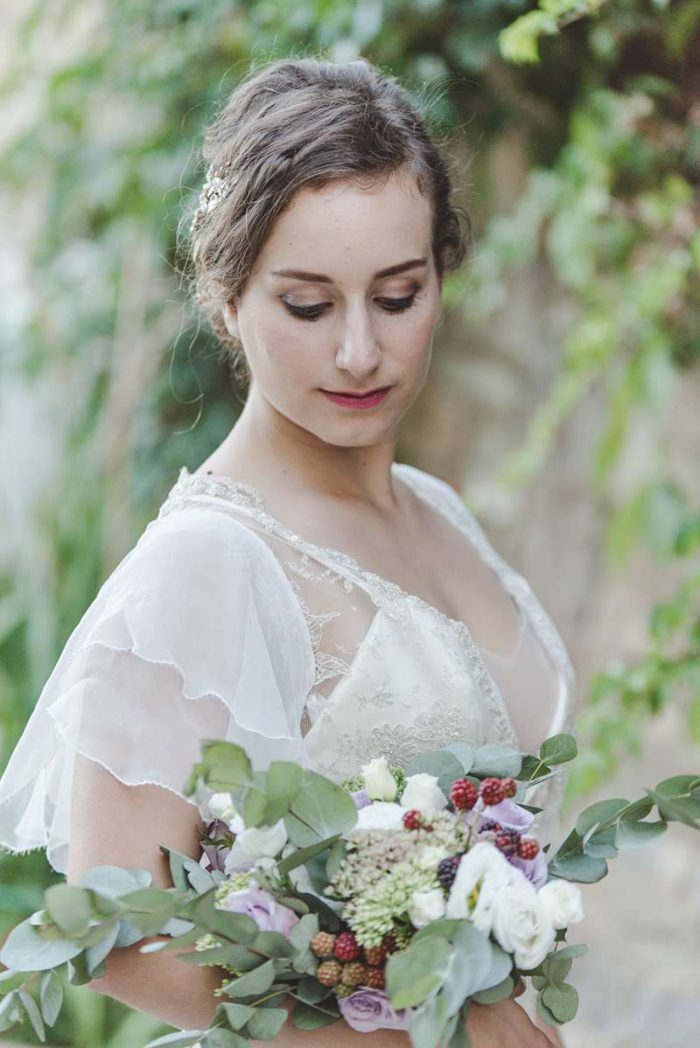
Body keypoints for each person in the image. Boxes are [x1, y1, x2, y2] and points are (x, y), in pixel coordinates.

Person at [0, 56, 576, 1046]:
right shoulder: (208, 564)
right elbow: (118, 928)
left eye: (398, 295)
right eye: (307, 306)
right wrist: (409, 1029)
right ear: (226, 297)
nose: (360, 350)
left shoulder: (438, 508)